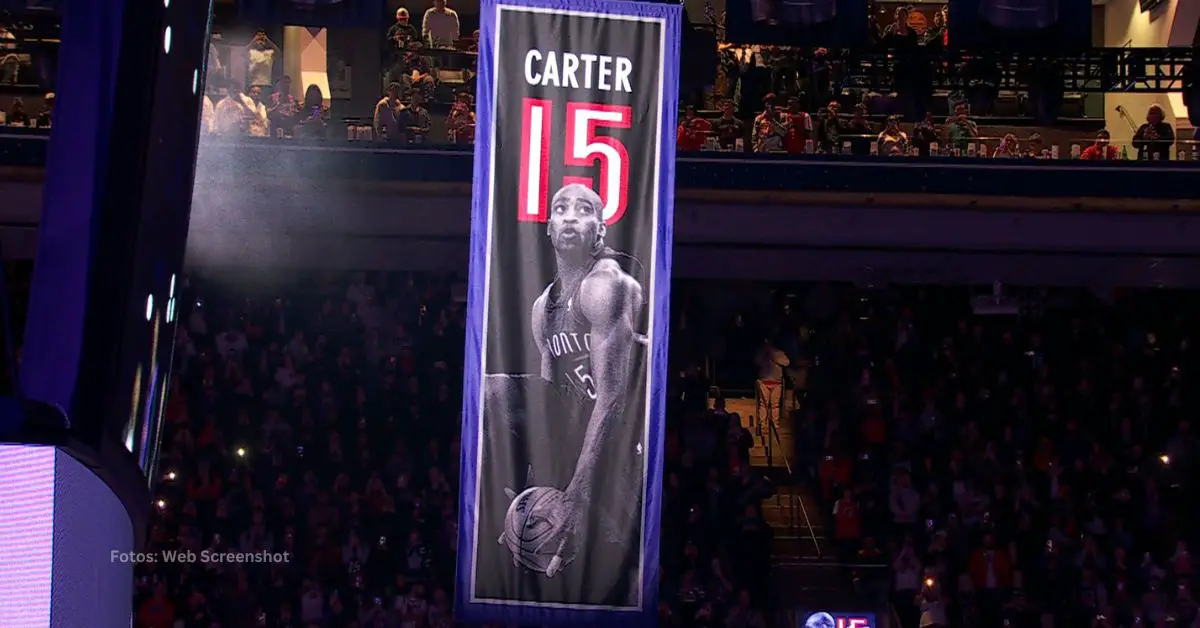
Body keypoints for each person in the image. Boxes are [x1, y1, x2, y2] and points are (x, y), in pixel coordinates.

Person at [476, 183, 647, 607]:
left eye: (584, 209)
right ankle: (495, 499)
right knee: (490, 389)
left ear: (600, 232)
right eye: (561, 209)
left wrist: (574, 495)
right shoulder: (543, 308)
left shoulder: (607, 286)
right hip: (578, 428)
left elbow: (613, 401)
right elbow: (546, 397)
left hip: (627, 439)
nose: (570, 216)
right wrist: (536, 491)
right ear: (549, 228)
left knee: (619, 561)